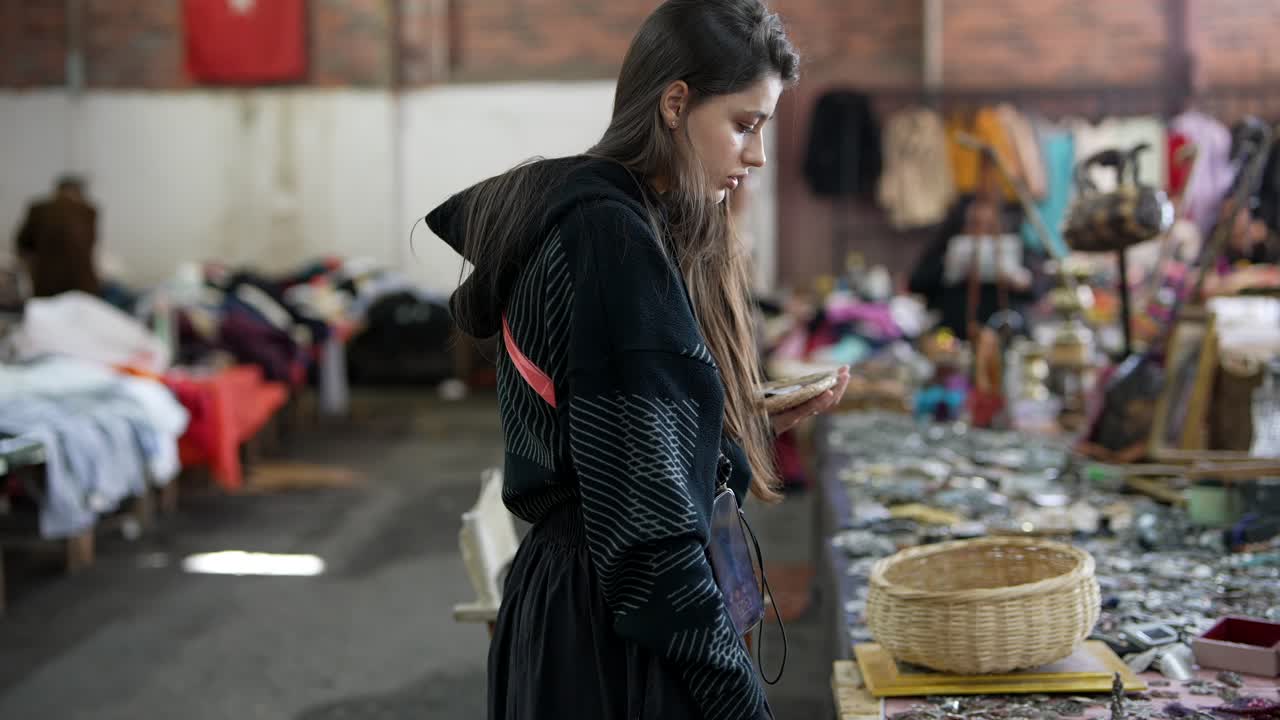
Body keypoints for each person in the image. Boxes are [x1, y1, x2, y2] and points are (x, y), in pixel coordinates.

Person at [425, 2, 848, 718]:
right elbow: (650, 542)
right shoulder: (611, 245)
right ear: (677, 104)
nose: (758, 156)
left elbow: (613, 441)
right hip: (612, 638)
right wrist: (736, 701)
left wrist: (722, 415)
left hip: (582, 609)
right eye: (744, 125)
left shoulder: (606, 223)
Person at [14, 175, 101, 298]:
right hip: (82, 283)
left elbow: (23, 244)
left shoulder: (39, 209)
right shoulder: (89, 211)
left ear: (57, 190)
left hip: (47, 282)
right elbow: (90, 245)